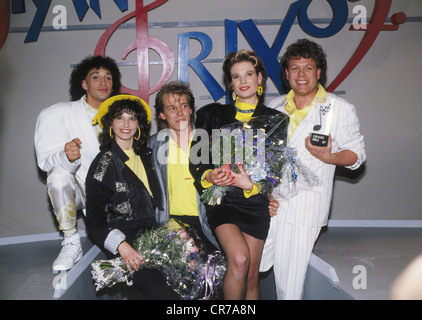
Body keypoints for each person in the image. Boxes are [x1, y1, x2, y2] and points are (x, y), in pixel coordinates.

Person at [259, 39, 367, 300]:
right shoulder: (273, 108)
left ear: (319, 73)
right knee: (252, 263)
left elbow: (358, 156)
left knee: (288, 285)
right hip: (270, 204)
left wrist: (330, 157)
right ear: (286, 74)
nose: (301, 75)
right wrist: (264, 195)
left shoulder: (340, 109)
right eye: (295, 68)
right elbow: (263, 159)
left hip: (304, 208)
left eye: (308, 68)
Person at [189, 50, 280, 300]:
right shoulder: (211, 115)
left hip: (255, 204)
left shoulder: (276, 120)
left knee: (251, 274)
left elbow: (276, 171)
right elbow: (196, 158)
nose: (243, 81)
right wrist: (209, 175)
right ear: (230, 83)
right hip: (224, 202)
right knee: (239, 259)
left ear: (260, 78)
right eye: (236, 77)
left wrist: (250, 185)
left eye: (249, 74)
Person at [34, 56, 121, 272]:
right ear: (84, 84)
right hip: (82, 188)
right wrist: (66, 155)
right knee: (58, 176)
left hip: (117, 195)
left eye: (108, 77)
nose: (103, 82)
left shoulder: (123, 115)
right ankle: (71, 241)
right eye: (96, 77)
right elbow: (46, 161)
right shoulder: (58, 113)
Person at [85, 94, 175, 299]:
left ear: (139, 124)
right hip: (127, 240)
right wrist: (121, 246)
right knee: (159, 291)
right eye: (120, 117)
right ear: (110, 123)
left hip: (154, 235)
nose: (126, 124)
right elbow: (94, 220)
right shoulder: (104, 163)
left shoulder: (147, 154)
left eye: (132, 118)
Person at [148, 81, 219, 255]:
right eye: (171, 108)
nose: (179, 112)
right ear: (163, 115)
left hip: (207, 224)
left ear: (190, 110)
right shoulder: (153, 145)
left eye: (183, 106)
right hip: (171, 225)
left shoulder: (208, 141)